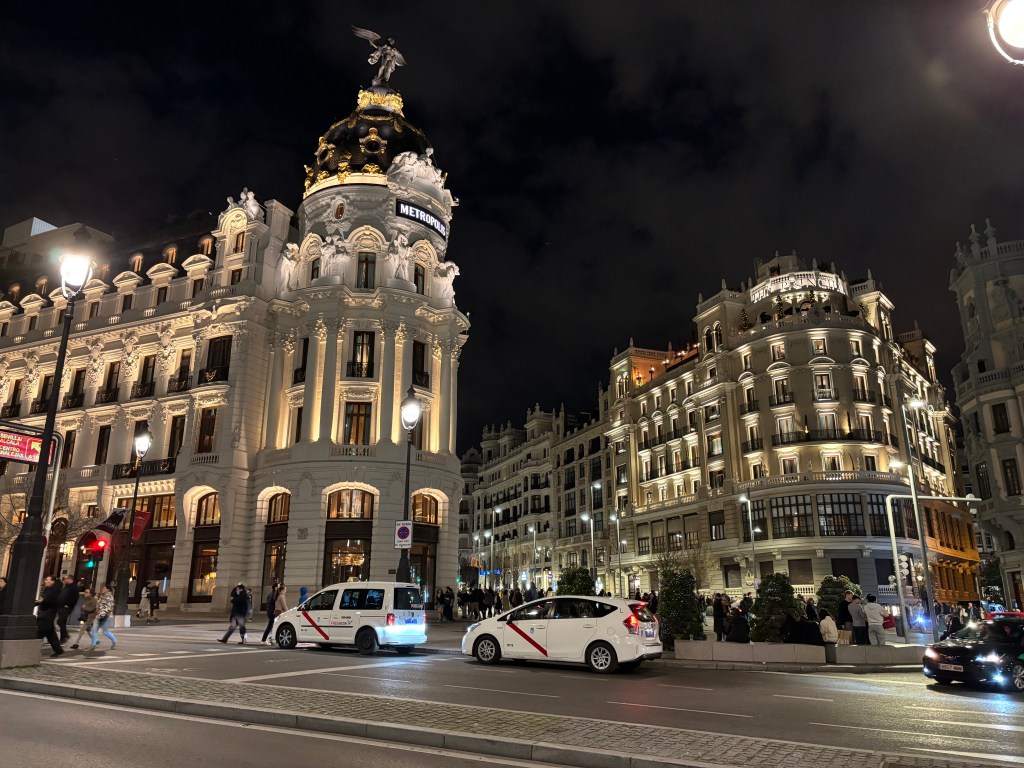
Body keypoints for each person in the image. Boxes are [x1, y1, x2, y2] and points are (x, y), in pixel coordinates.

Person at [36, 575, 64, 656]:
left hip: (47, 614)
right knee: (50, 633)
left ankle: (33, 650)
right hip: (46, 613)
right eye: (46, 580)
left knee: (39, 633)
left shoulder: (54, 591)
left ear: (53, 581)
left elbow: (47, 600)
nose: (45, 581)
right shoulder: (49, 589)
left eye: (48, 580)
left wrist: (39, 602)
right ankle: (58, 650)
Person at [90, 586, 117, 650]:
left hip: (106, 616)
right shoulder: (101, 596)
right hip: (98, 615)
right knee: (94, 630)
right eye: (102, 588)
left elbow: (108, 607)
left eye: (104, 588)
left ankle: (114, 641)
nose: (102, 589)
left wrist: (102, 615)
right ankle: (93, 644)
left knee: (105, 631)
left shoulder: (109, 597)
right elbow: (98, 606)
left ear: (108, 589)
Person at [57, 575, 79, 645]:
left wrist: (69, 605)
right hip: (61, 607)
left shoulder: (74, 587)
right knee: (62, 622)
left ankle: (66, 635)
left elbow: (75, 598)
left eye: (65, 579)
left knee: (60, 621)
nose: (64, 580)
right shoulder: (66, 586)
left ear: (70, 579)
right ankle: (63, 638)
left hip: (67, 607)